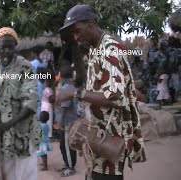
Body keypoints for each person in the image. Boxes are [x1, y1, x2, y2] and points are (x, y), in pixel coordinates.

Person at [58, 5, 146, 180]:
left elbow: (115, 98)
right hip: (100, 135)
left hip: (110, 138)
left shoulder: (109, 49)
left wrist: (74, 94)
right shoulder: (96, 49)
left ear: (90, 24)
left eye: (78, 31)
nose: (76, 37)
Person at [0, 27, 41, 180]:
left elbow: (31, 103)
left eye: (10, 47)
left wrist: (9, 124)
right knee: (7, 175)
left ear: (15, 46)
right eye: (3, 47)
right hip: (4, 136)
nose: (7, 51)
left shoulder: (24, 66)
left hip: (24, 132)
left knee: (26, 175)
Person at [54, 63, 78, 177]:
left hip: (67, 122)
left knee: (67, 145)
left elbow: (64, 107)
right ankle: (67, 164)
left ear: (62, 75)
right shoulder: (70, 86)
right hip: (68, 121)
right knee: (64, 145)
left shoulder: (66, 88)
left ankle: (70, 167)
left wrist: (59, 122)